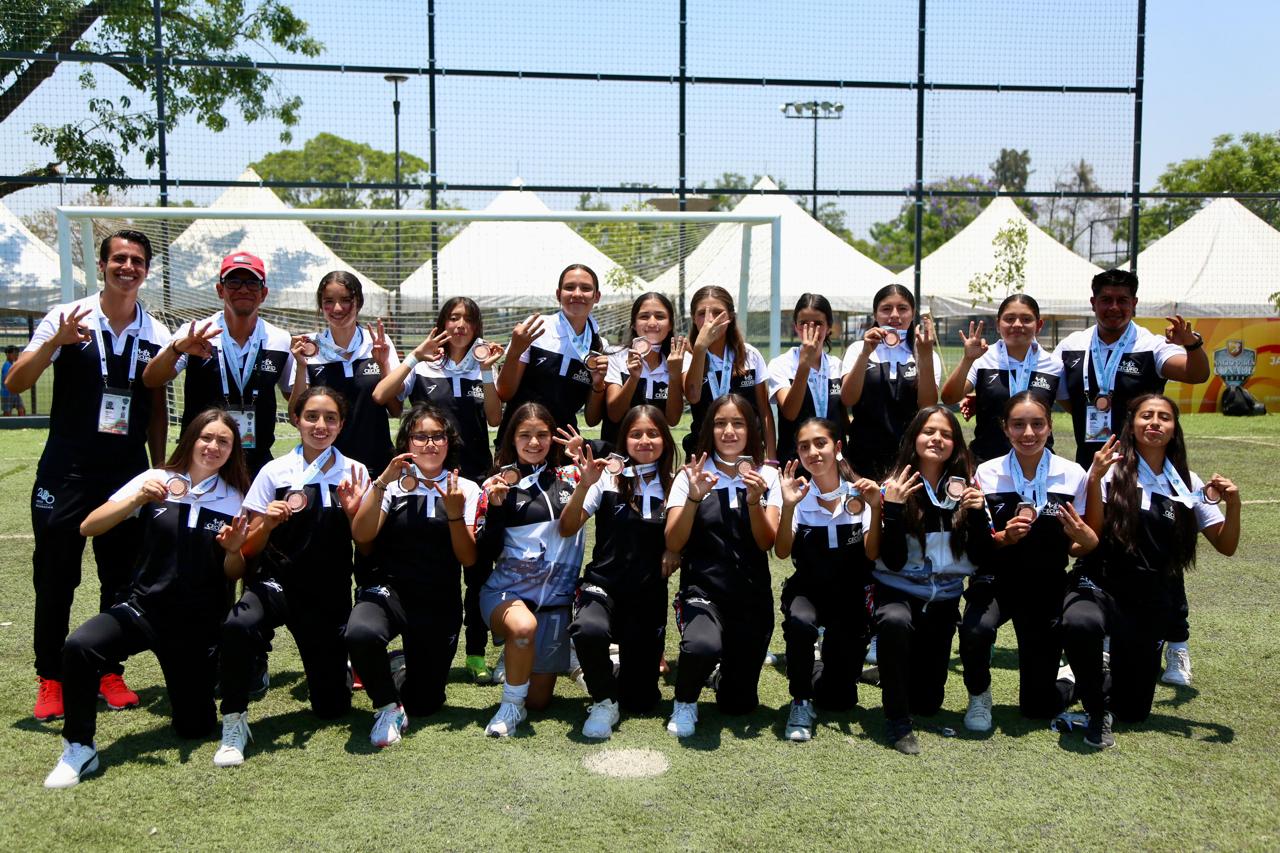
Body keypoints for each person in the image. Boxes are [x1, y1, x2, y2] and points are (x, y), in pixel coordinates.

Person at [5, 230, 171, 722]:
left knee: (120, 576)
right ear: (101, 265)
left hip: (125, 473)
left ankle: (107, 670)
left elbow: (157, 408)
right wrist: (54, 344)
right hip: (67, 472)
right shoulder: (67, 317)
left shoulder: (156, 332)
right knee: (55, 575)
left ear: (146, 270)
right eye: (119, 258)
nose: (128, 267)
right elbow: (17, 382)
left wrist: (158, 466)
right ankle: (51, 677)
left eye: (136, 260)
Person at [43, 410, 250, 788]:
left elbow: (233, 574)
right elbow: (89, 526)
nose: (213, 446)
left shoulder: (235, 498)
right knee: (80, 646)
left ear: (232, 450)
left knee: (195, 726)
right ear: (191, 439)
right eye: (206, 437)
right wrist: (136, 498)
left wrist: (235, 549)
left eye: (223, 441)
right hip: (143, 610)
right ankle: (79, 746)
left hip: (195, 626)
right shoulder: (156, 479)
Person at [1054, 269, 1210, 684]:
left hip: (1148, 466)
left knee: (1160, 550)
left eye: (1122, 300)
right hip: (1095, 464)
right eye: (1106, 299)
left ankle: (1177, 642)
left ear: (1134, 304)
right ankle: (1102, 638)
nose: (1114, 307)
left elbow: (1196, 373)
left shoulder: (1150, 345)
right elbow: (1067, 399)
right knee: (1100, 548)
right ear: (1093, 303)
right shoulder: (1071, 346)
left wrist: (1192, 344)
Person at [1064, 394, 1240, 749]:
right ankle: (1093, 703)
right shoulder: (1109, 471)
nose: (1155, 423)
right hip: (1101, 583)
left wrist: (1234, 504)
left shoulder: (1187, 482)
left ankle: (1080, 680)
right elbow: (1088, 538)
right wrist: (1095, 480)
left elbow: (1225, 544)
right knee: (1080, 623)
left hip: (1148, 599)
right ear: (1132, 425)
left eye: (1164, 417)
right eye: (1147, 416)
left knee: (1133, 711)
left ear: (1174, 429)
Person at [212, 386, 368, 767]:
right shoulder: (275, 471)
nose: (320, 425)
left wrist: (354, 513)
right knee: (238, 624)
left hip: (328, 595)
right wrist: (266, 523)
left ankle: (351, 667)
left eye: (330, 418)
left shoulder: (355, 471)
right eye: (312, 416)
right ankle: (233, 721)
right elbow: (248, 548)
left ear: (341, 424)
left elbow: (366, 541)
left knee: (332, 709)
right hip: (277, 584)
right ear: (296, 419)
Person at [372, 296, 503, 681]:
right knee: (424, 559)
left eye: (468, 319)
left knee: (477, 567)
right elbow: (382, 396)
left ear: (477, 327)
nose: (460, 325)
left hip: (471, 477)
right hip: (423, 479)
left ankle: (475, 651)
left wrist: (487, 372)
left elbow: (495, 418)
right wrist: (414, 356)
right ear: (442, 323)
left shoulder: (483, 362)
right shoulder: (426, 364)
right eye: (453, 317)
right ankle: (411, 642)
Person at [959, 392, 1097, 733]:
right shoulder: (987, 473)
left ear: (1049, 427)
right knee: (976, 630)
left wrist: (1084, 540)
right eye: (1018, 425)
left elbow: (1078, 547)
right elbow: (979, 542)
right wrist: (1004, 538)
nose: (1028, 433)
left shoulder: (1072, 474)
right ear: (1005, 428)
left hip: (1046, 584)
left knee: (1037, 708)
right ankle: (979, 696)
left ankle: (1068, 680)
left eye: (1037, 424)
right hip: (997, 579)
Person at [347, 403, 482, 748]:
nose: (430, 444)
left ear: (450, 441)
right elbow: (362, 535)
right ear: (407, 441)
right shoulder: (392, 485)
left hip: (438, 600)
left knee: (425, 703)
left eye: (438, 436)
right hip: (390, 591)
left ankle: (401, 666)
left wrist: (455, 514)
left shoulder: (466, 488)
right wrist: (380, 483)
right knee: (361, 632)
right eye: (420, 436)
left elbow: (468, 558)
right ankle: (387, 707)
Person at [664, 394, 781, 738]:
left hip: (751, 596)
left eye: (738, 424)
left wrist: (755, 501)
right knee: (702, 645)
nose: (729, 431)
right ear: (709, 430)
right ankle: (685, 701)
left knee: (738, 704)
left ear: (751, 430)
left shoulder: (767, 476)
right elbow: (674, 542)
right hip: (704, 590)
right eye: (720, 424)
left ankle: (719, 675)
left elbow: (766, 542)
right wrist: (693, 497)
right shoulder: (691, 475)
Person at [873, 406, 988, 754]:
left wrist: (978, 516)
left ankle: (891, 672)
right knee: (894, 622)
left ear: (956, 444)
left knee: (927, 703)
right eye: (929, 431)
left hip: (943, 600)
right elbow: (893, 560)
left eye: (946, 434)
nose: (937, 439)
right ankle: (897, 721)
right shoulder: (893, 487)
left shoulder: (967, 489)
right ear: (914, 438)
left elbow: (980, 557)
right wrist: (893, 510)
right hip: (899, 593)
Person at [561, 405, 678, 739]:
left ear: (665, 440)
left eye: (652, 433)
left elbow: (689, 533)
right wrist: (584, 485)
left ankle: (603, 667)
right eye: (636, 434)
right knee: (588, 629)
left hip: (647, 594)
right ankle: (602, 699)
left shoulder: (676, 483)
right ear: (624, 441)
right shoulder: (607, 478)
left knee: (640, 702)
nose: (645, 440)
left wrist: (676, 549)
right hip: (604, 586)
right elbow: (567, 527)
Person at [475, 402, 587, 737]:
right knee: (523, 627)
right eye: (525, 435)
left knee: (538, 702)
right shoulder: (497, 484)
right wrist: (496, 510)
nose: (534, 442)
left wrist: (584, 451)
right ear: (512, 438)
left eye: (542, 435)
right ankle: (510, 706)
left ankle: (532, 656)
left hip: (554, 605)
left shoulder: (574, 476)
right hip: (506, 593)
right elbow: (484, 553)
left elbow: (620, 462)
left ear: (553, 438)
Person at [774, 418, 881, 742]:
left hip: (850, 596)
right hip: (809, 590)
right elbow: (782, 551)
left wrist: (877, 508)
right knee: (800, 623)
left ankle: (818, 662)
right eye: (804, 446)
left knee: (839, 700)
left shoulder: (861, 492)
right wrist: (788, 507)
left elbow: (872, 552)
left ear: (837, 447)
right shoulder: (796, 494)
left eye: (820, 443)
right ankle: (800, 700)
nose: (813, 452)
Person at [142, 251, 294, 476]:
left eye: (252, 283)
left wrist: (304, 366)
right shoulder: (195, 333)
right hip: (200, 462)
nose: (243, 289)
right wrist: (177, 349)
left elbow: (297, 405)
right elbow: (151, 379)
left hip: (255, 465)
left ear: (264, 293)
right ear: (220, 290)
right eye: (234, 282)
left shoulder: (280, 340)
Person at [288, 270, 400, 476]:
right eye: (329, 301)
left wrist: (383, 364)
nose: (337, 308)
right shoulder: (310, 349)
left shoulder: (377, 343)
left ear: (359, 302)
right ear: (320, 305)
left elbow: (396, 409)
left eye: (346, 300)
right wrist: (301, 366)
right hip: (324, 467)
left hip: (377, 465)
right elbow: (294, 416)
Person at [939, 293, 1064, 463]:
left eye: (1026, 319)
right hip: (986, 461)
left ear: (1039, 325)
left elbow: (1071, 405)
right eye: (1010, 319)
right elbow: (949, 398)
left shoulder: (1054, 365)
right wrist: (968, 360)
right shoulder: (982, 358)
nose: (1017, 324)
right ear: (998, 324)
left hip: (1038, 464)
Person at [494, 264, 608, 447]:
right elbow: (505, 394)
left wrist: (598, 384)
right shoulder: (536, 328)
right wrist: (514, 352)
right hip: (519, 443)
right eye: (569, 287)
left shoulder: (600, 346)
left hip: (564, 448)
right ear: (558, 294)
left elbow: (592, 419)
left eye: (586, 288)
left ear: (597, 296)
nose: (577, 294)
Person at [841, 284, 942, 481]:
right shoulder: (858, 349)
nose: (894, 315)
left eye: (902, 308)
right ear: (875, 314)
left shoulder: (924, 352)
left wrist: (925, 357)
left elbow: (928, 405)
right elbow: (848, 399)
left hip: (910, 455)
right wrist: (865, 353)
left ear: (912, 314)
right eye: (886, 309)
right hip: (863, 454)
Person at [682, 285, 776, 459]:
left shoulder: (750, 355)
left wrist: (771, 459)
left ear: (731, 317)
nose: (710, 320)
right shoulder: (687, 357)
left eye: (718, 312)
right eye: (702, 313)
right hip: (704, 456)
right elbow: (693, 396)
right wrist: (700, 348)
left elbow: (764, 412)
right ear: (693, 318)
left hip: (747, 456)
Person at [769, 294, 849, 470]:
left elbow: (844, 418)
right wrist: (804, 364)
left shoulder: (837, 366)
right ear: (795, 327)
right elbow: (790, 412)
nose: (811, 330)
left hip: (834, 465)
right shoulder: (781, 364)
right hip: (796, 465)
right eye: (804, 324)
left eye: (818, 324)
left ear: (829, 327)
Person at [601, 291, 686, 449]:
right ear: (633, 323)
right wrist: (633, 378)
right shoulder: (615, 356)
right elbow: (614, 414)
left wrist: (674, 376)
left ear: (670, 324)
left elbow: (673, 420)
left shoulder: (677, 360)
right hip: (616, 453)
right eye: (644, 316)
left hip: (653, 453)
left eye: (660, 316)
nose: (652, 323)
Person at [2, 346, 26, 415]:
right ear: (8, 354)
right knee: (8, 412)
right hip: (7, 393)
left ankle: (22, 422)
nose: (16, 355)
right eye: (14, 354)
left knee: (21, 409)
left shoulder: (11, 365)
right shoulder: (7, 365)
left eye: (17, 354)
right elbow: (7, 379)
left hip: (14, 392)